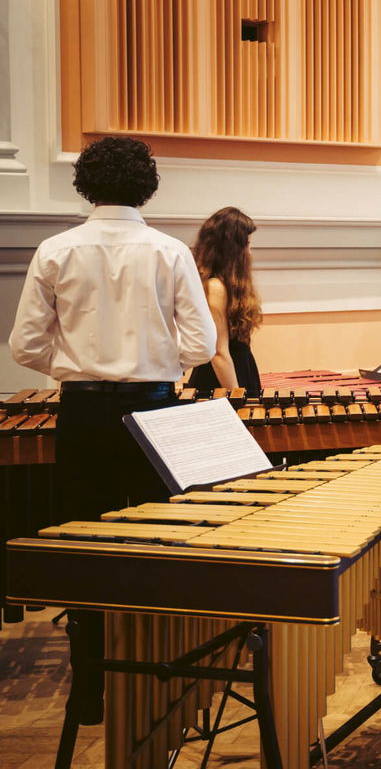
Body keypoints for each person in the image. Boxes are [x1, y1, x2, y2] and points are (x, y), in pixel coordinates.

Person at [8, 135, 215, 725]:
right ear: (147, 185)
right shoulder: (170, 252)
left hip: (83, 414)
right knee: (159, 543)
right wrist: (156, 367)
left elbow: (25, 344)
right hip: (154, 410)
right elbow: (201, 345)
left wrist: (75, 370)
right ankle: (158, 678)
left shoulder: (55, 250)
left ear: (86, 185)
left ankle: (89, 687)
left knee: (84, 544)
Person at [186, 207, 264, 396]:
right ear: (233, 249)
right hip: (221, 381)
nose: (250, 253)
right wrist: (237, 397)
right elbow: (219, 352)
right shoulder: (215, 287)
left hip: (238, 372)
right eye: (247, 245)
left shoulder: (226, 286)